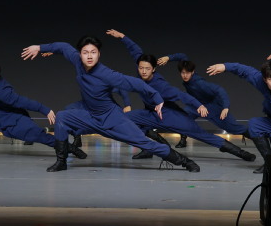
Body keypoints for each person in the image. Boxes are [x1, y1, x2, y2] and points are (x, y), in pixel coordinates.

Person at [22, 34, 200, 172]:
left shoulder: (106, 74)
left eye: (93, 52)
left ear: (99, 54)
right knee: (62, 117)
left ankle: (185, 162)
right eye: (85, 52)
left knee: (144, 142)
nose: (89, 56)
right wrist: (39, 47)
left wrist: (156, 96)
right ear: (80, 54)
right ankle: (61, 162)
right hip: (91, 117)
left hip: (113, 120)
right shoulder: (77, 60)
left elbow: (134, 83)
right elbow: (62, 46)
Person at [106, 29, 255, 162]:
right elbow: (135, 51)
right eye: (141, 68)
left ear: (154, 69)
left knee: (202, 134)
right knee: (125, 118)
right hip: (150, 113)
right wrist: (122, 37)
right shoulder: (142, 68)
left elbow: (181, 95)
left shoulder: (160, 85)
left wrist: (199, 105)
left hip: (169, 115)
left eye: (147, 69)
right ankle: (151, 148)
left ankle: (242, 153)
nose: (143, 71)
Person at [157, 53, 250, 147]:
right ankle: (183, 140)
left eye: (187, 73)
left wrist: (225, 107)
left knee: (233, 128)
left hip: (212, 106)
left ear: (192, 72)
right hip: (197, 105)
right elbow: (182, 57)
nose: (185, 75)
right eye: (183, 73)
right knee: (183, 117)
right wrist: (168, 58)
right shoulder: (187, 67)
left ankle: (255, 136)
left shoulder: (199, 83)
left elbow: (220, 90)